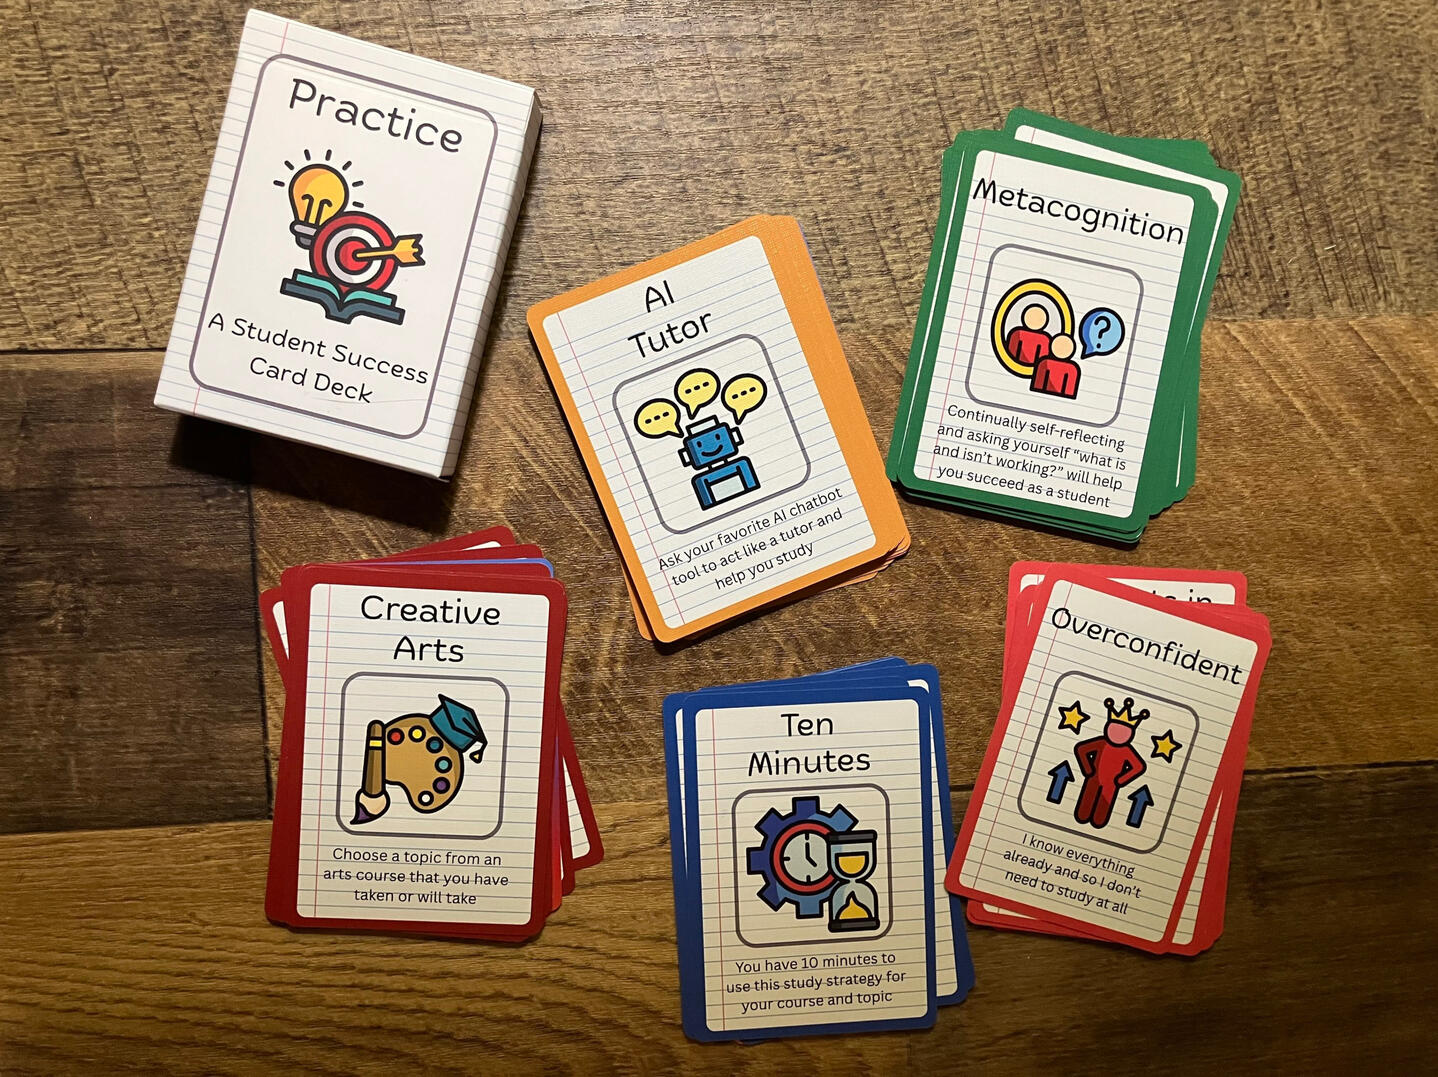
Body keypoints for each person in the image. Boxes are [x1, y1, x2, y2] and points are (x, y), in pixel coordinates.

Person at [1073, 700, 1147, 829]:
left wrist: (1120, 780)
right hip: (1094, 778)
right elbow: (1081, 749)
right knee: (1087, 799)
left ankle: (1099, 820)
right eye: (1115, 728)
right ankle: (1083, 815)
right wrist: (1088, 769)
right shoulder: (1101, 743)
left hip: (1111, 783)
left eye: (1124, 732)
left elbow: (1138, 767)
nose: (1118, 734)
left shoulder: (1126, 751)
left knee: (1103, 807)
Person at [1031, 333, 1081, 398]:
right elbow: (1037, 385)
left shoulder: (1072, 368)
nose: (1062, 349)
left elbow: (1069, 392)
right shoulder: (1044, 362)